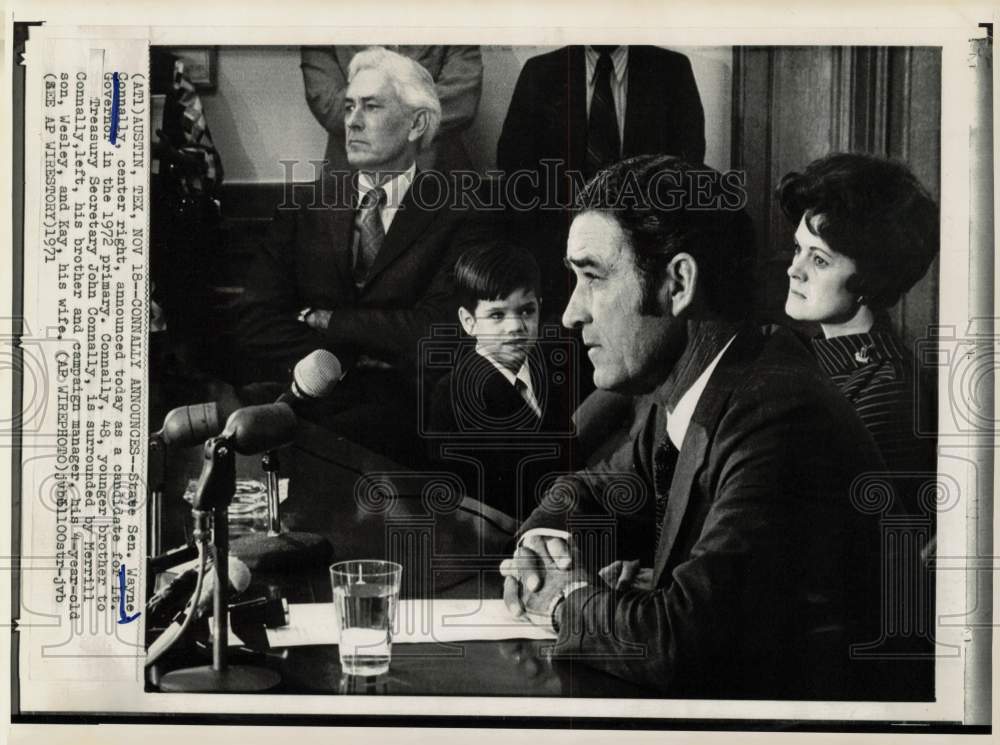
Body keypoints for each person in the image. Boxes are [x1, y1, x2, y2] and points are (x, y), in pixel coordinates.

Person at [499, 155, 928, 700]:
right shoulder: (694, 381)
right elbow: (597, 489)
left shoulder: (781, 416)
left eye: (592, 278)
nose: (570, 313)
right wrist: (544, 540)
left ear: (678, 284)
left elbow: (678, 642)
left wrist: (563, 597)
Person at [236, 47, 475, 459]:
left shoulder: (460, 213)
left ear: (417, 123)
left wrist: (326, 319)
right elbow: (255, 320)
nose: (352, 121)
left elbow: (438, 329)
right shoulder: (304, 206)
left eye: (371, 107)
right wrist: (339, 362)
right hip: (305, 403)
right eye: (348, 107)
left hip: (407, 420)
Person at [497, 45, 705, 316]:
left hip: (643, 260)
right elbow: (515, 174)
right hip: (559, 264)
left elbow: (686, 175)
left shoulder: (672, 70)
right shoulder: (541, 73)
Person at [778, 152, 939, 492]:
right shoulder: (803, 359)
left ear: (870, 280)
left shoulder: (886, 390)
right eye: (798, 249)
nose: (795, 270)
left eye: (819, 260)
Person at [428, 241, 581, 520]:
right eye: (497, 315)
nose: (515, 326)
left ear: (540, 308)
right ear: (468, 321)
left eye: (526, 311)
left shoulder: (549, 370)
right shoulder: (453, 393)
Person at [301, 45, 483, 175]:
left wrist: (369, 101)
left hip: (437, 173)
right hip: (350, 177)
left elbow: (463, 100)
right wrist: (412, 106)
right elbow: (330, 107)